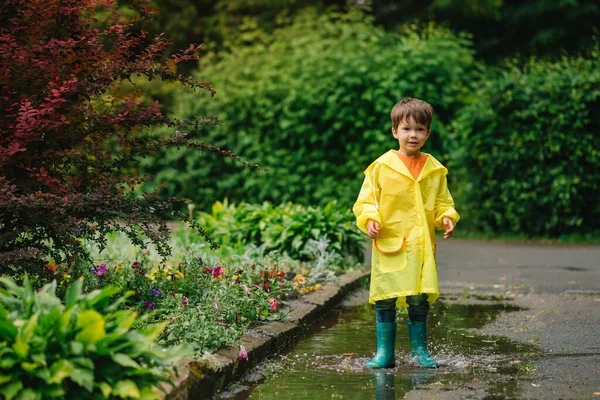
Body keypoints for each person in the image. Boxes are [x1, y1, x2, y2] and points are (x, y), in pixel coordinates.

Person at [353, 97, 460, 369]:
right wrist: (370, 219)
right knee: (386, 298)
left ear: (428, 133)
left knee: (418, 297)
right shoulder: (380, 168)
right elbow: (366, 202)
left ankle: (420, 352)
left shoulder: (435, 170)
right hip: (390, 243)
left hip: (420, 247)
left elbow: (442, 202)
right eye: (406, 128)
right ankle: (384, 354)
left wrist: (446, 216)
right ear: (394, 132)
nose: (413, 135)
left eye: (420, 129)